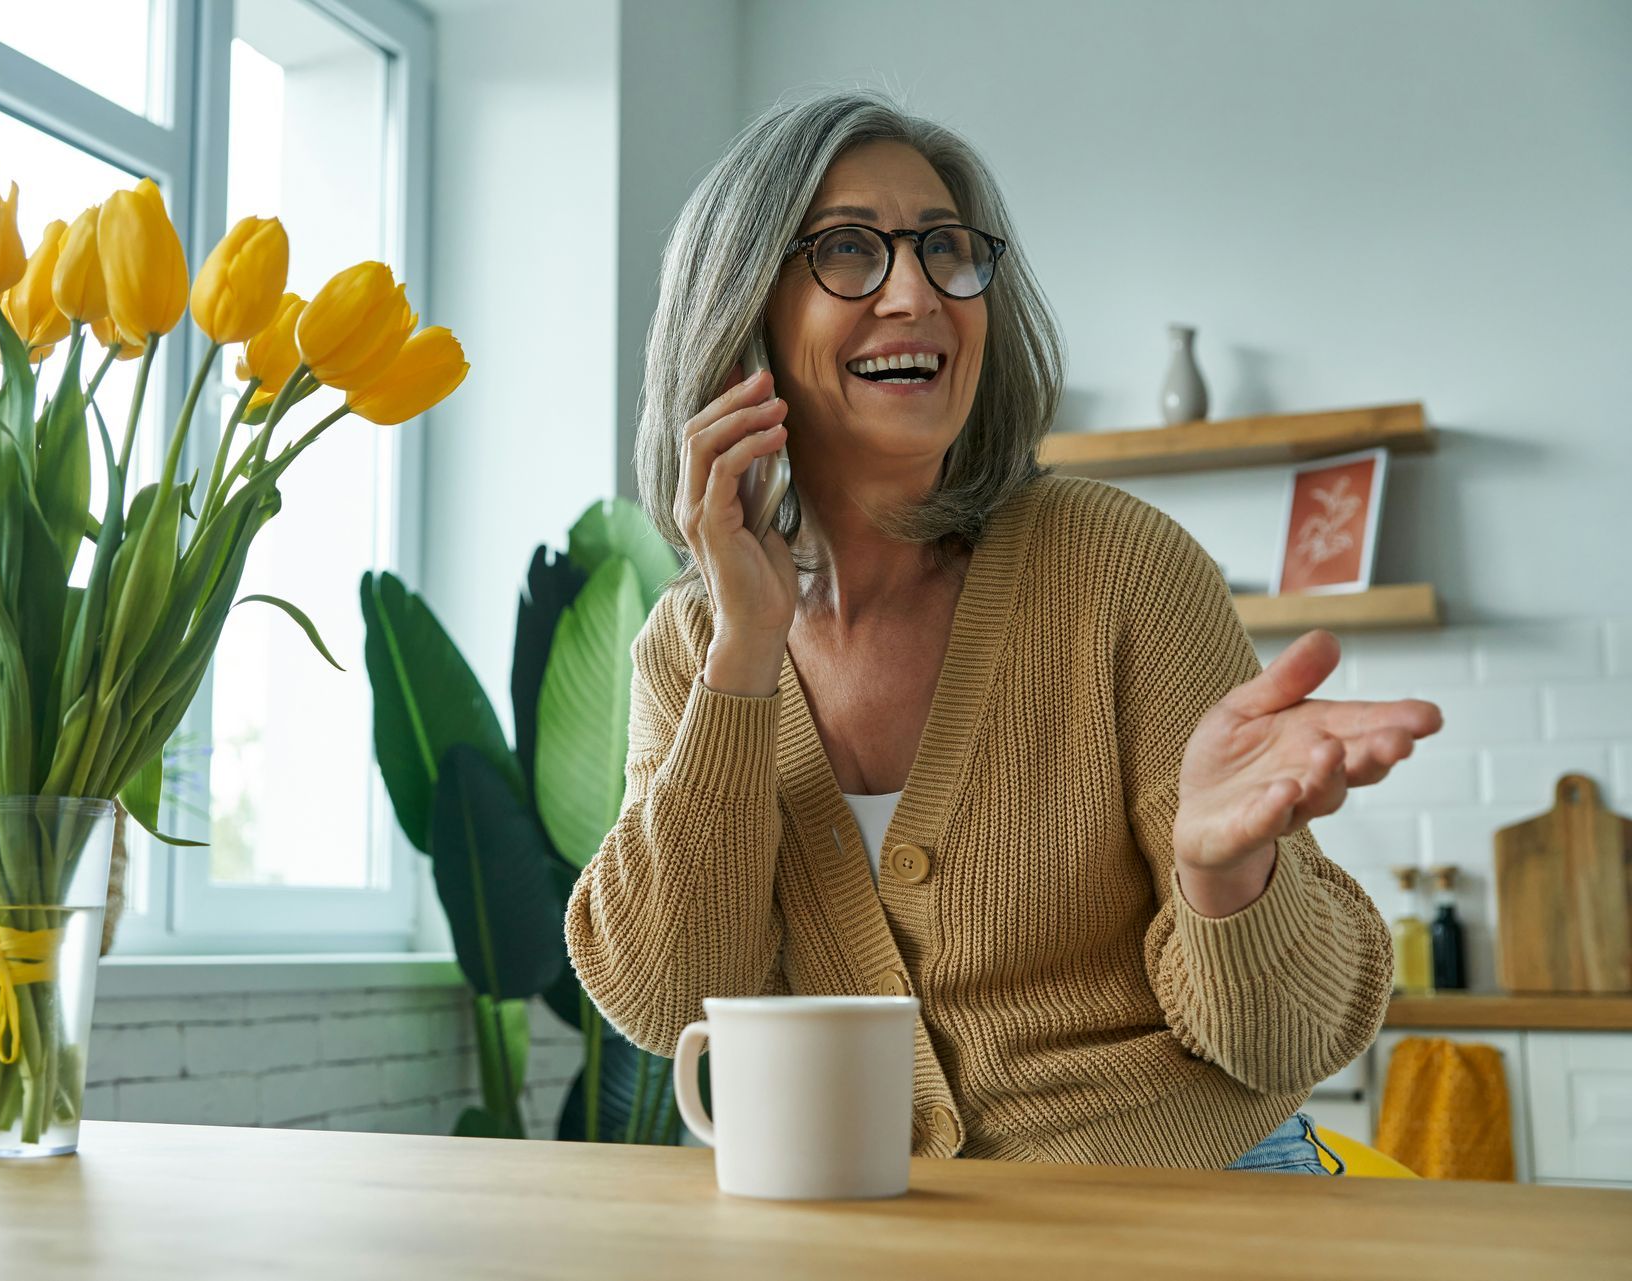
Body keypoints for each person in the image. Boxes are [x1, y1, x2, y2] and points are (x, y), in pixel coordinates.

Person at [563, 88, 1439, 1173]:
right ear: (741, 314)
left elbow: (1285, 1042)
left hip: (1186, 1202)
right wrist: (742, 659)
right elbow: (664, 999)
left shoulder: (1119, 566)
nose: (916, 293)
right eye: (847, 250)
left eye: (946, 249)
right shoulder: (692, 643)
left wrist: (1226, 880)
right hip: (872, 1224)